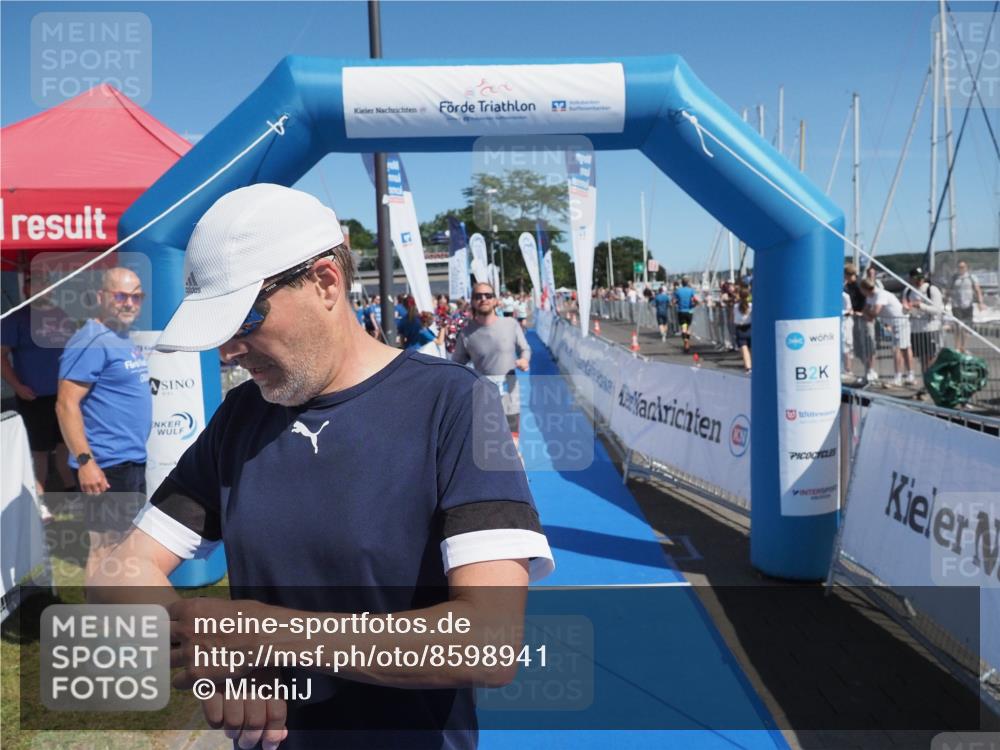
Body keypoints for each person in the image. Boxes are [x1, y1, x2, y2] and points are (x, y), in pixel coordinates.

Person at [90, 185, 553, 750]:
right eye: (218, 332)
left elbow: (489, 641)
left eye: (245, 320)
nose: (228, 352)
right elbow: (119, 573)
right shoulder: (242, 417)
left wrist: (267, 633)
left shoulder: (453, 404)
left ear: (325, 282)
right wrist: (211, 656)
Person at [56, 267, 152, 579]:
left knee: (124, 546)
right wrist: (85, 462)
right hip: (106, 465)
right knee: (105, 548)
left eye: (136, 296)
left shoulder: (121, 336)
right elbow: (66, 404)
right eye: (121, 295)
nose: (129, 303)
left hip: (130, 460)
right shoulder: (91, 340)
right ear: (101, 297)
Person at [1, 269, 77, 518]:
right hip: (33, 397)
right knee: (39, 451)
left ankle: (69, 495)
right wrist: (17, 387)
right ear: (26, 290)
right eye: (36, 285)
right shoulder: (16, 319)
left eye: (46, 284)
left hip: (64, 396)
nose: (43, 289)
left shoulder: (62, 315)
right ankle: (40, 502)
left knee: (66, 445)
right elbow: (1, 357)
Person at [452, 282, 531, 450]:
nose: (483, 299)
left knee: (513, 449)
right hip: (484, 402)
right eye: (478, 296)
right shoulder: (466, 334)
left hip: (510, 398)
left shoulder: (510, 324)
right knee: (490, 450)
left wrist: (524, 360)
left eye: (488, 295)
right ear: (472, 302)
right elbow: (455, 367)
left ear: (495, 300)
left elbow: (525, 349)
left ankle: (518, 473)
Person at [860, 278, 914, 387]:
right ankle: (906, 375)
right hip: (893, 324)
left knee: (900, 349)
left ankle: (900, 376)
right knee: (902, 348)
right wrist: (867, 313)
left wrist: (867, 313)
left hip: (900, 322)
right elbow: (866, 310)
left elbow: (874, 313)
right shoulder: (871, 296)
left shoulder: (880, 295)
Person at [903, 267, 944, 375]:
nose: (919, 280)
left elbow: (937, 310)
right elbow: (904, 311)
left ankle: (932, 381)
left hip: (931, 329)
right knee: (922, 359)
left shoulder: (932, 290)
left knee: (931, 358)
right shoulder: (908, 291)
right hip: (916, 330)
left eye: (921, 278)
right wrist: (906, 309)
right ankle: (926, 382)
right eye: (916, 278)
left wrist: (920, 305)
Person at [949, 260, 983, 352]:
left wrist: (980, 302)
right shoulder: (954, 278)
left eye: (963, 267)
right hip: (956, 305)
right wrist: (945, 302)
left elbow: (977, 290)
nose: (961, 269)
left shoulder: (972, 277)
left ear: (967, 267)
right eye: (959, 267)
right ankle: (956, 346)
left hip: (968, 305)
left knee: (966, 327)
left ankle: (963, 347)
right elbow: (948, 290)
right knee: (957, 326)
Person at [672, 277, 699, 353]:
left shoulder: (678, 291)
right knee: (689, 327)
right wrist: (695, 305)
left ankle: (685, 342)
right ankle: (687, 341)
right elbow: (695, 300)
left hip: (681, 311)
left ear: (682, 283)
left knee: (684, 327)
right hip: (689, 312)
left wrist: (677, 302)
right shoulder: (691, 290)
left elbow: (673, 301)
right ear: (688, 283)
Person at [733, 289, 752, 374]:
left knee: (744, 349)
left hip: (740, 328)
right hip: (750, 327)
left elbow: (732, 317)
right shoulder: (751, 305)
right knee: (752, 349)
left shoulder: (736, 306)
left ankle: (748, 368)